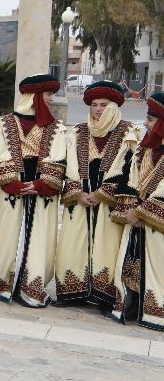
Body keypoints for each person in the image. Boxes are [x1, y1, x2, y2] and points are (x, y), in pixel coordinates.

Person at [0, 75, 66, 308]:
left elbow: (59, 157)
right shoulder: (5, 123)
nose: (51, 99)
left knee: (39, 236)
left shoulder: (56, 127)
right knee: (9, 234)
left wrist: (42, 183)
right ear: (35, 96)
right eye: (48, 94)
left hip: (42, 191)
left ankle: (32, 287)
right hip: (12, 189)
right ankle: (4, 284)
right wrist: (13, 183)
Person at [56, 81, 135, 307]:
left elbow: (130, 171)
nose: (98, 109)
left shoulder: (129, 133)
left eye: (104, 105)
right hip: (79, 201)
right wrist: (77, 194)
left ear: (114, 107)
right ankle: (72, 293)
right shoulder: (77, 131)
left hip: (109, 204)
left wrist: (102, 194)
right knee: (74, 245)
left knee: (106, 247)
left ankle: (104, 298)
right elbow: (66, 165)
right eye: (94, 105)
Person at [110, 92, 164, 329]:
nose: (145, 123)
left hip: (155, 224)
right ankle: (133, 305)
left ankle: (154, 309)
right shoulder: (145, 149)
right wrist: (132, 211)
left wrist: (143, 213)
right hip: (137, 221)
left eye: (151, 119)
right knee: (131, 263)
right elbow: (130, 180)